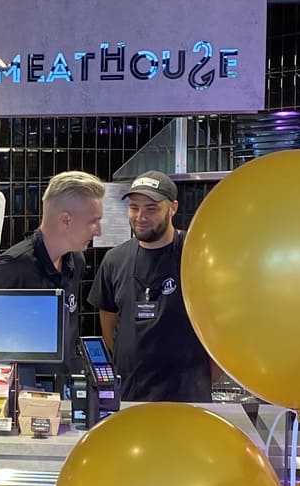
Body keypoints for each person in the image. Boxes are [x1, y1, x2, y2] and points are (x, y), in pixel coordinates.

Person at [88, 170, 213, 401]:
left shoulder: (197, 255)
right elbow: (109, 325)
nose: (140, 217)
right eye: (134, 207)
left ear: (173, 208)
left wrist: (204, 376)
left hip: (187, 396)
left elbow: (219, 322)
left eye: (151, 209)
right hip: (130, 395)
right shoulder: (114, 260)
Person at [0, 170, 105, 360]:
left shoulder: (76, 260)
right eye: (93, 222)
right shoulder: (16, 264)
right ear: (66, 220)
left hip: (66, 376)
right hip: (26, 377)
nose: (99, 231)